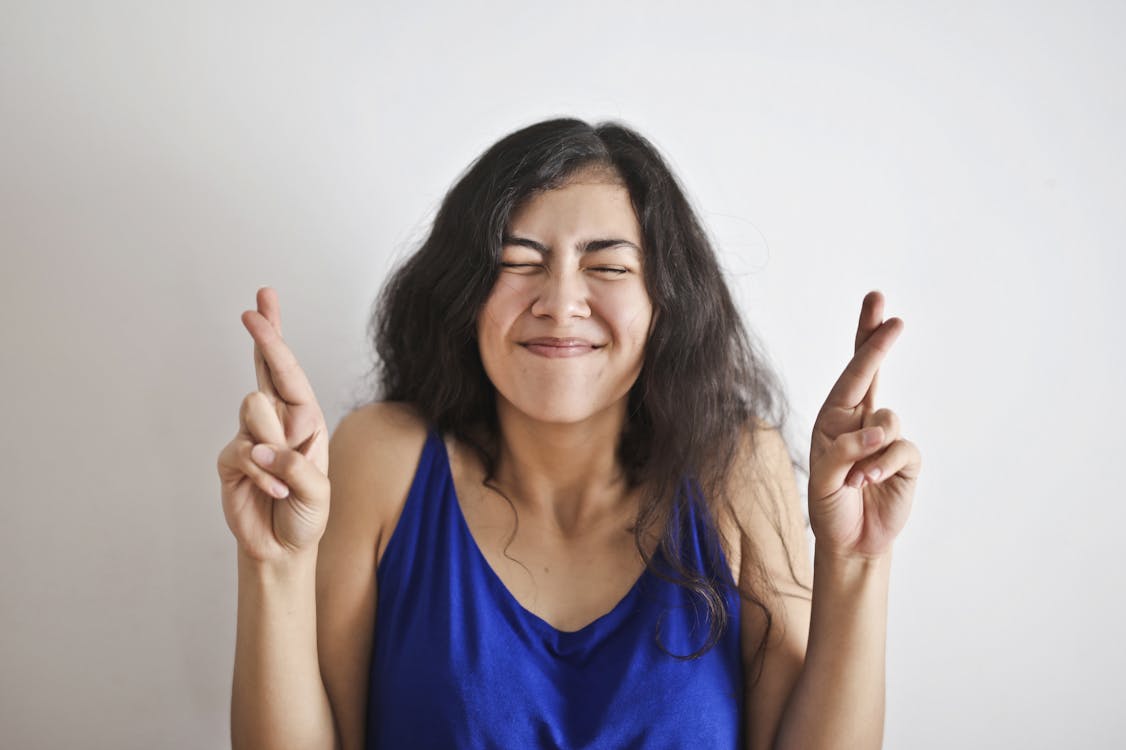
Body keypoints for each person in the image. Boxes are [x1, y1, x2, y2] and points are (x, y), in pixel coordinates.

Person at [217, 117, 922, 750]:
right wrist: (273, 565)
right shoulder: (382, 457)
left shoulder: (737, 467)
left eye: (608, 266)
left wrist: (857, 561)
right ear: (464, 293)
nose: (559, 303)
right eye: (517, 262)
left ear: (664, 301)